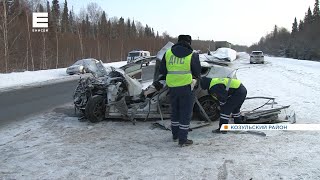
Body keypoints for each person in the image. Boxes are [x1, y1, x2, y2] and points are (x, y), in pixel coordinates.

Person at [159, 35, 201, 147]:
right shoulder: (193, 54)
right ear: (189, 42)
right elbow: (197, 72)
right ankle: (183, 139)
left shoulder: (168, 53)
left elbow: (162, 70)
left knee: (175, 111)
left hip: (172, 87)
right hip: (187, 87)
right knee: (185, 113)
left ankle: (175, 135)